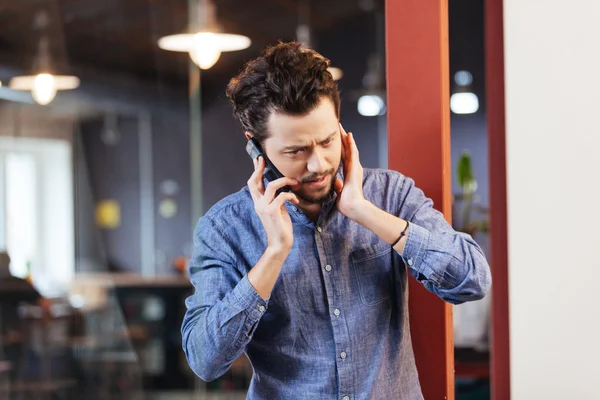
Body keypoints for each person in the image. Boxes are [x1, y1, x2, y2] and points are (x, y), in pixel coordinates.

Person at [181, 42, 491, 399]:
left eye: (328, 141)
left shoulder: (390, 195)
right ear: (257, 148)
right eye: (296, 151)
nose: (319, 164)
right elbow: (205, 360)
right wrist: (274, 254)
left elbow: (472, 280)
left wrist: (365, 213)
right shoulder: (225, 228)